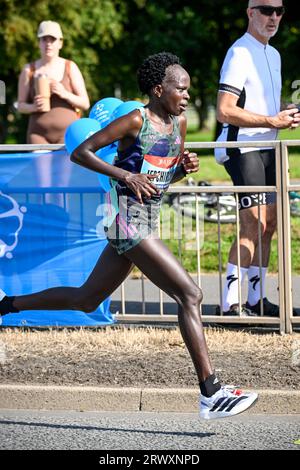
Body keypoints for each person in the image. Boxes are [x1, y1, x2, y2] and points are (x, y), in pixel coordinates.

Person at [0, 52, 257, 419]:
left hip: (146, 219)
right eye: (180, 89)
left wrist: (183, 169)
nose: (186, 95)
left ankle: (7, 304)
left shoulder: (179, 124)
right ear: (157, 89)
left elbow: (158, 181)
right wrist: (125, 176)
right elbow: (81, 153)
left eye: (188, 89)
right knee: (190, 293)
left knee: (86, 300)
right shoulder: (135, 119)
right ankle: (211, 393)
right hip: (126, 221)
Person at [215, 1, 300, 316]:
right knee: (252, 223)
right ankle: (230, 304)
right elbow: (225, 110)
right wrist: (271, 122)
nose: (274, 17)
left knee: (271, 224)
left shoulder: (273, 54)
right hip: (244, 148)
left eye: (280, 10)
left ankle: (256, 299)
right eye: (266, 10)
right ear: (250, 13)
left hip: (269, 147)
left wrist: (283, 117)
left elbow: (265, 105)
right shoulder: (240, 52)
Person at [17, 20, 90, 205]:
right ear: (39, 42)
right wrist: (34, 107)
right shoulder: (29, 69)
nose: (48, 43)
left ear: (60, 42)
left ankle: (62, 228)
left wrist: (63, 93)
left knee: (61, 186)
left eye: (52, 39)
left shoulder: (69, 67)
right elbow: (19, 105)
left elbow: (85, 102)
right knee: (42, 185)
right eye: (44, 39)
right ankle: (45, 228)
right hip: (38, 134)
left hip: (66, 135)